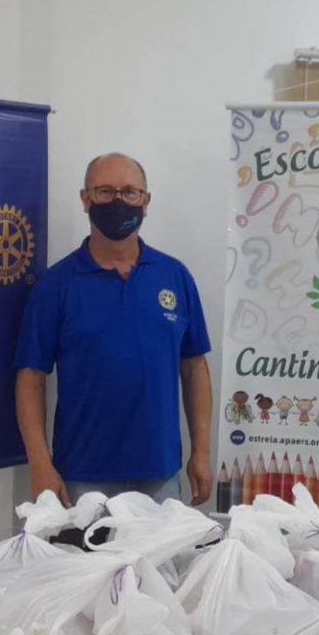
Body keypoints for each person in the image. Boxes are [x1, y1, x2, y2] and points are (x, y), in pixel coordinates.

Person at [14, 152, 213, 505]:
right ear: (85, 199)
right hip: (81, 477)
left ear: (146, 202)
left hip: (160, 474)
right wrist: (40, 464)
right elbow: (31, 379)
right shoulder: (55, 286)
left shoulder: (174, 276)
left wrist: (201, 452)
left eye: (130, 192)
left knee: (163, 548)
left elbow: (194, 367)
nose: (118, 202)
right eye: (105, 191)